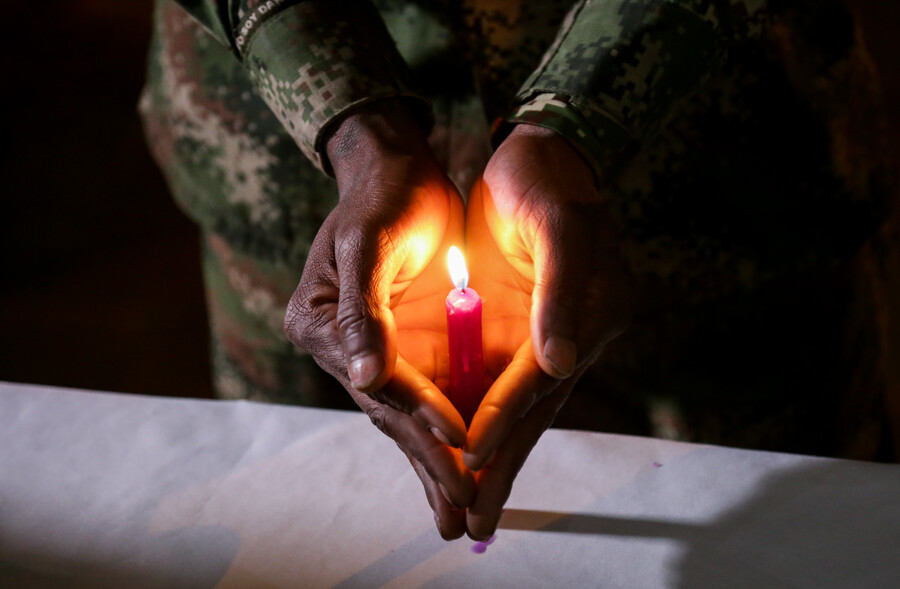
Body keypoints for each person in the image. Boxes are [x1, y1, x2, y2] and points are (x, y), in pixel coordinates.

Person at [141, 0, 894, 540]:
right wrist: (351, 122)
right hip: (284, 172)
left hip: (721, 172)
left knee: (793, 535)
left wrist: (579, 116)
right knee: (302, 528)